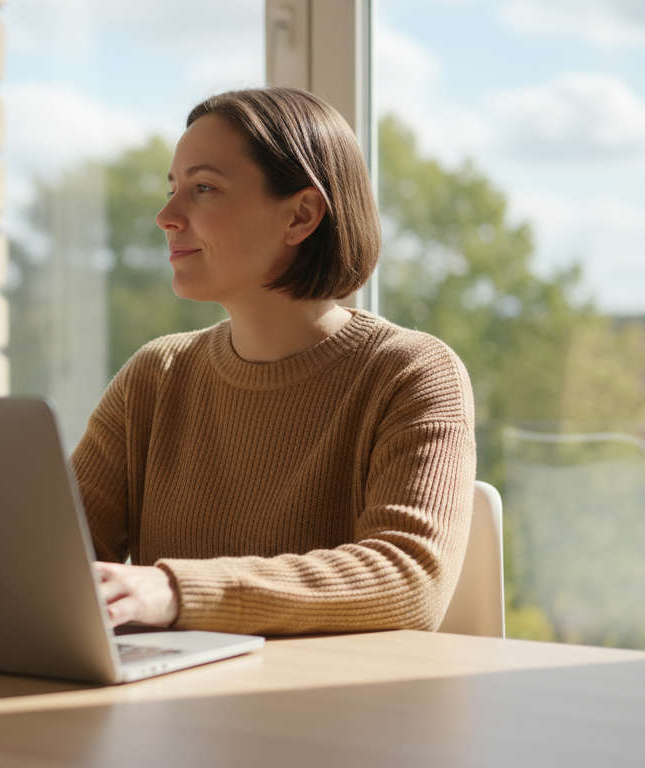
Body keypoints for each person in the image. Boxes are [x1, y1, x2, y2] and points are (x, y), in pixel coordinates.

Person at [75, 86, 477, 636]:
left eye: (204, 188)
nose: (166, 216)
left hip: (332, 713)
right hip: (169, 708)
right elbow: (54, 559)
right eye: (173, 189)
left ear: (301, 215)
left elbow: (409, 579)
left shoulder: (411, 374)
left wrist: (174, 590)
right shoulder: (155, 375)